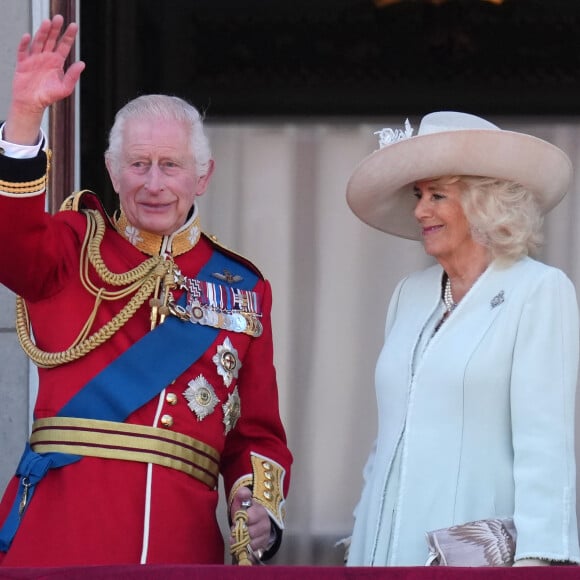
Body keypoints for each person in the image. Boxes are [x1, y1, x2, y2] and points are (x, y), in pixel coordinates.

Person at [0, 15, 292, 567]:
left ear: (202, 176)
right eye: (137, 164)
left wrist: (259, 509)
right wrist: (24, 115)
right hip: (58, 541)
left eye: (170, 165)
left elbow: (256, 432)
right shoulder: (70, 249)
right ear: (112, 171)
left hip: (180, 552)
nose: (152, 183)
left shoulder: (243, 288)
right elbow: (9, 239)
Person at [344, 110, 580, 566]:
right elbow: (388, 439)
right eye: (418, 194)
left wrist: (535, 562)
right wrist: (358, 549)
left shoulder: (537, 291)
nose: (419, 210)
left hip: (476, 561)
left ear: (483, 202)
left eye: (437, 195)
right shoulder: (408, 296)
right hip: (384, 554)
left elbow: (544, 445)